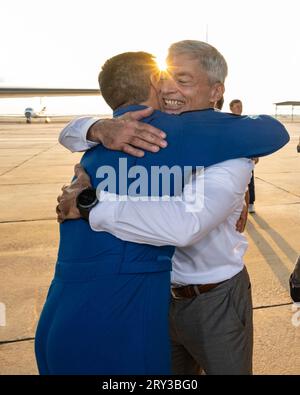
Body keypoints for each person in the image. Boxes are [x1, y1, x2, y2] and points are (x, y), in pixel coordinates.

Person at [56, 41, 289, 375]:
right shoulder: (142, 131)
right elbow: (70, 133)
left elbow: (185, 224)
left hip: (214, 298)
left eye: (183, 80)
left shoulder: (234, 145)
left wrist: (90, 203)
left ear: (215, 91)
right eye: (165, 78)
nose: (167, 88)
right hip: (155, 296)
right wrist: (96, 127)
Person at [230, 99, 258, 214]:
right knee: (233, 182)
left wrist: (256, 154)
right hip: (233, 157)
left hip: (247, 157)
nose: (239, 108)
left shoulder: (247, 121)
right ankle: (235, 204)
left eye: (240, 106)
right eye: (236, 107)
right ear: (231, 108)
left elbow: (252, 139)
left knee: (249, 181)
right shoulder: (228, 122)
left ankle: (250, 203)